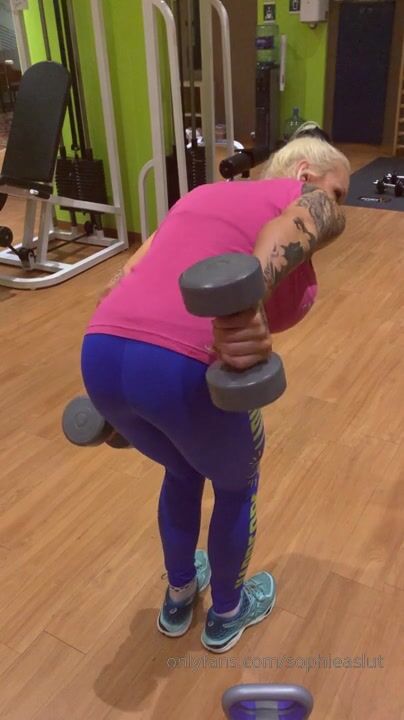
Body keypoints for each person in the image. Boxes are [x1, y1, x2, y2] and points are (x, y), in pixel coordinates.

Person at [81, 130, 350, 654]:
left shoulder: (202, 195)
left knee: (181, 469)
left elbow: (128, 273)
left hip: (101, 355)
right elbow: (313, 214)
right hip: (185, 369)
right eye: (337, 189)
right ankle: (227, 610)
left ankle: (180, 595)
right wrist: (245, 304)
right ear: (304, 174)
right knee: (236, 486)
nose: (338, 203)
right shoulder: (302, 197)